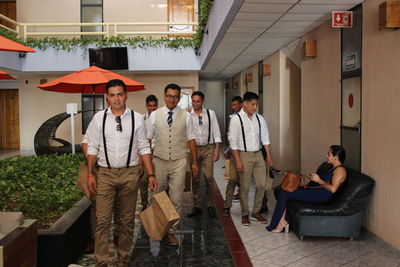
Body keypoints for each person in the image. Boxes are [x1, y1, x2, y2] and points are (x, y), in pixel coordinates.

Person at [86, 79, 158, 266]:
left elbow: (144, 147)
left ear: (126, 95)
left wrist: (151, 174)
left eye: (119, 94)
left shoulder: (136, 119)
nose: (116, 99)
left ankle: (123, 259)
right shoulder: (98, 118)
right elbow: (92, 147)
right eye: (112, 95)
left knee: (126, 221)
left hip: (130, 174)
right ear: (107, 97)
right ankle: (101, 261)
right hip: (106, 175)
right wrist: (90, 174)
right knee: (102, 221)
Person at [147, 83, 199, 246]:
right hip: (159, 160)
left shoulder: (187, 115)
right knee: (157, 196)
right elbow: (147, 140)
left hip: (179, 161)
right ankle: (158, 229)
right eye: (169, 96)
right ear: (164, 96)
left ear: (179, 98)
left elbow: (191, 139)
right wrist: (147, 165)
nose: (172, 99)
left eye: (176, 96)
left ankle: (171, 231)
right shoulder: (154, 115)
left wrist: (194, 162)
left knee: (177, 198)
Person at [266, 145, 347, 233]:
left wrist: (319, 180)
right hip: (316, 192)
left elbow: (333, 189)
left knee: (285, 192)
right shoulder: (332, 167)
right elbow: (326, 182)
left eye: (329, 154)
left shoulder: (340, 171)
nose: (326, 156)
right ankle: (283, 221)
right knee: (285, 189)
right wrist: (314, 179)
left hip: (321, 196)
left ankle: (281, 223)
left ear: (336, 157)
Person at [229, 92, 273, 226]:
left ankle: (256, 212)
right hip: (244, 155)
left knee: (261, 184)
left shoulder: (260, 119)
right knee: (245, 186)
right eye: (253, 104)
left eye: (256, 105)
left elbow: (265, 139)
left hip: (258, 154)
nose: (255, 107)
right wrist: (237, 160)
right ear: (245, 104)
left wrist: (269, 157)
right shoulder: (236, 119)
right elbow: (233, 142)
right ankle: (244, 213)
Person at [187, 91, 221, 219]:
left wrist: (217, 150)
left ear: (202, 101)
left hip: (208, 148)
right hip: (194, 148)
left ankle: (210, 205)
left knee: (208, 177)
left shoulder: (210, 114)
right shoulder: (188, 116)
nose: (195, 104)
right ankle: (196, 205)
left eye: (198, 101)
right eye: (193, 101)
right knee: (195, 177)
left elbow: (216, 132)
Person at [223, 96, 243, 216]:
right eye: (232, 105)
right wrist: (228, 149)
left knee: (244, 180)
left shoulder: (245, 118)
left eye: (236, 105)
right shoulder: (233, 117)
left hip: (245, 152)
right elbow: (232, 137)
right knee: (232, 179)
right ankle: (227, 206)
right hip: (234, 152)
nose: (233, 107)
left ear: (241, 104)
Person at [139, 94, 158, 211]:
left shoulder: (161, 118)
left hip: (158, 152)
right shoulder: (141, 119)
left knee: (158, 179)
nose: (152, 108)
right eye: (150, 106)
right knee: (144, 179)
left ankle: (157, 204)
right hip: (146, 153)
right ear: (146, 106)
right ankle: (144, 205)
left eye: (154, 105)